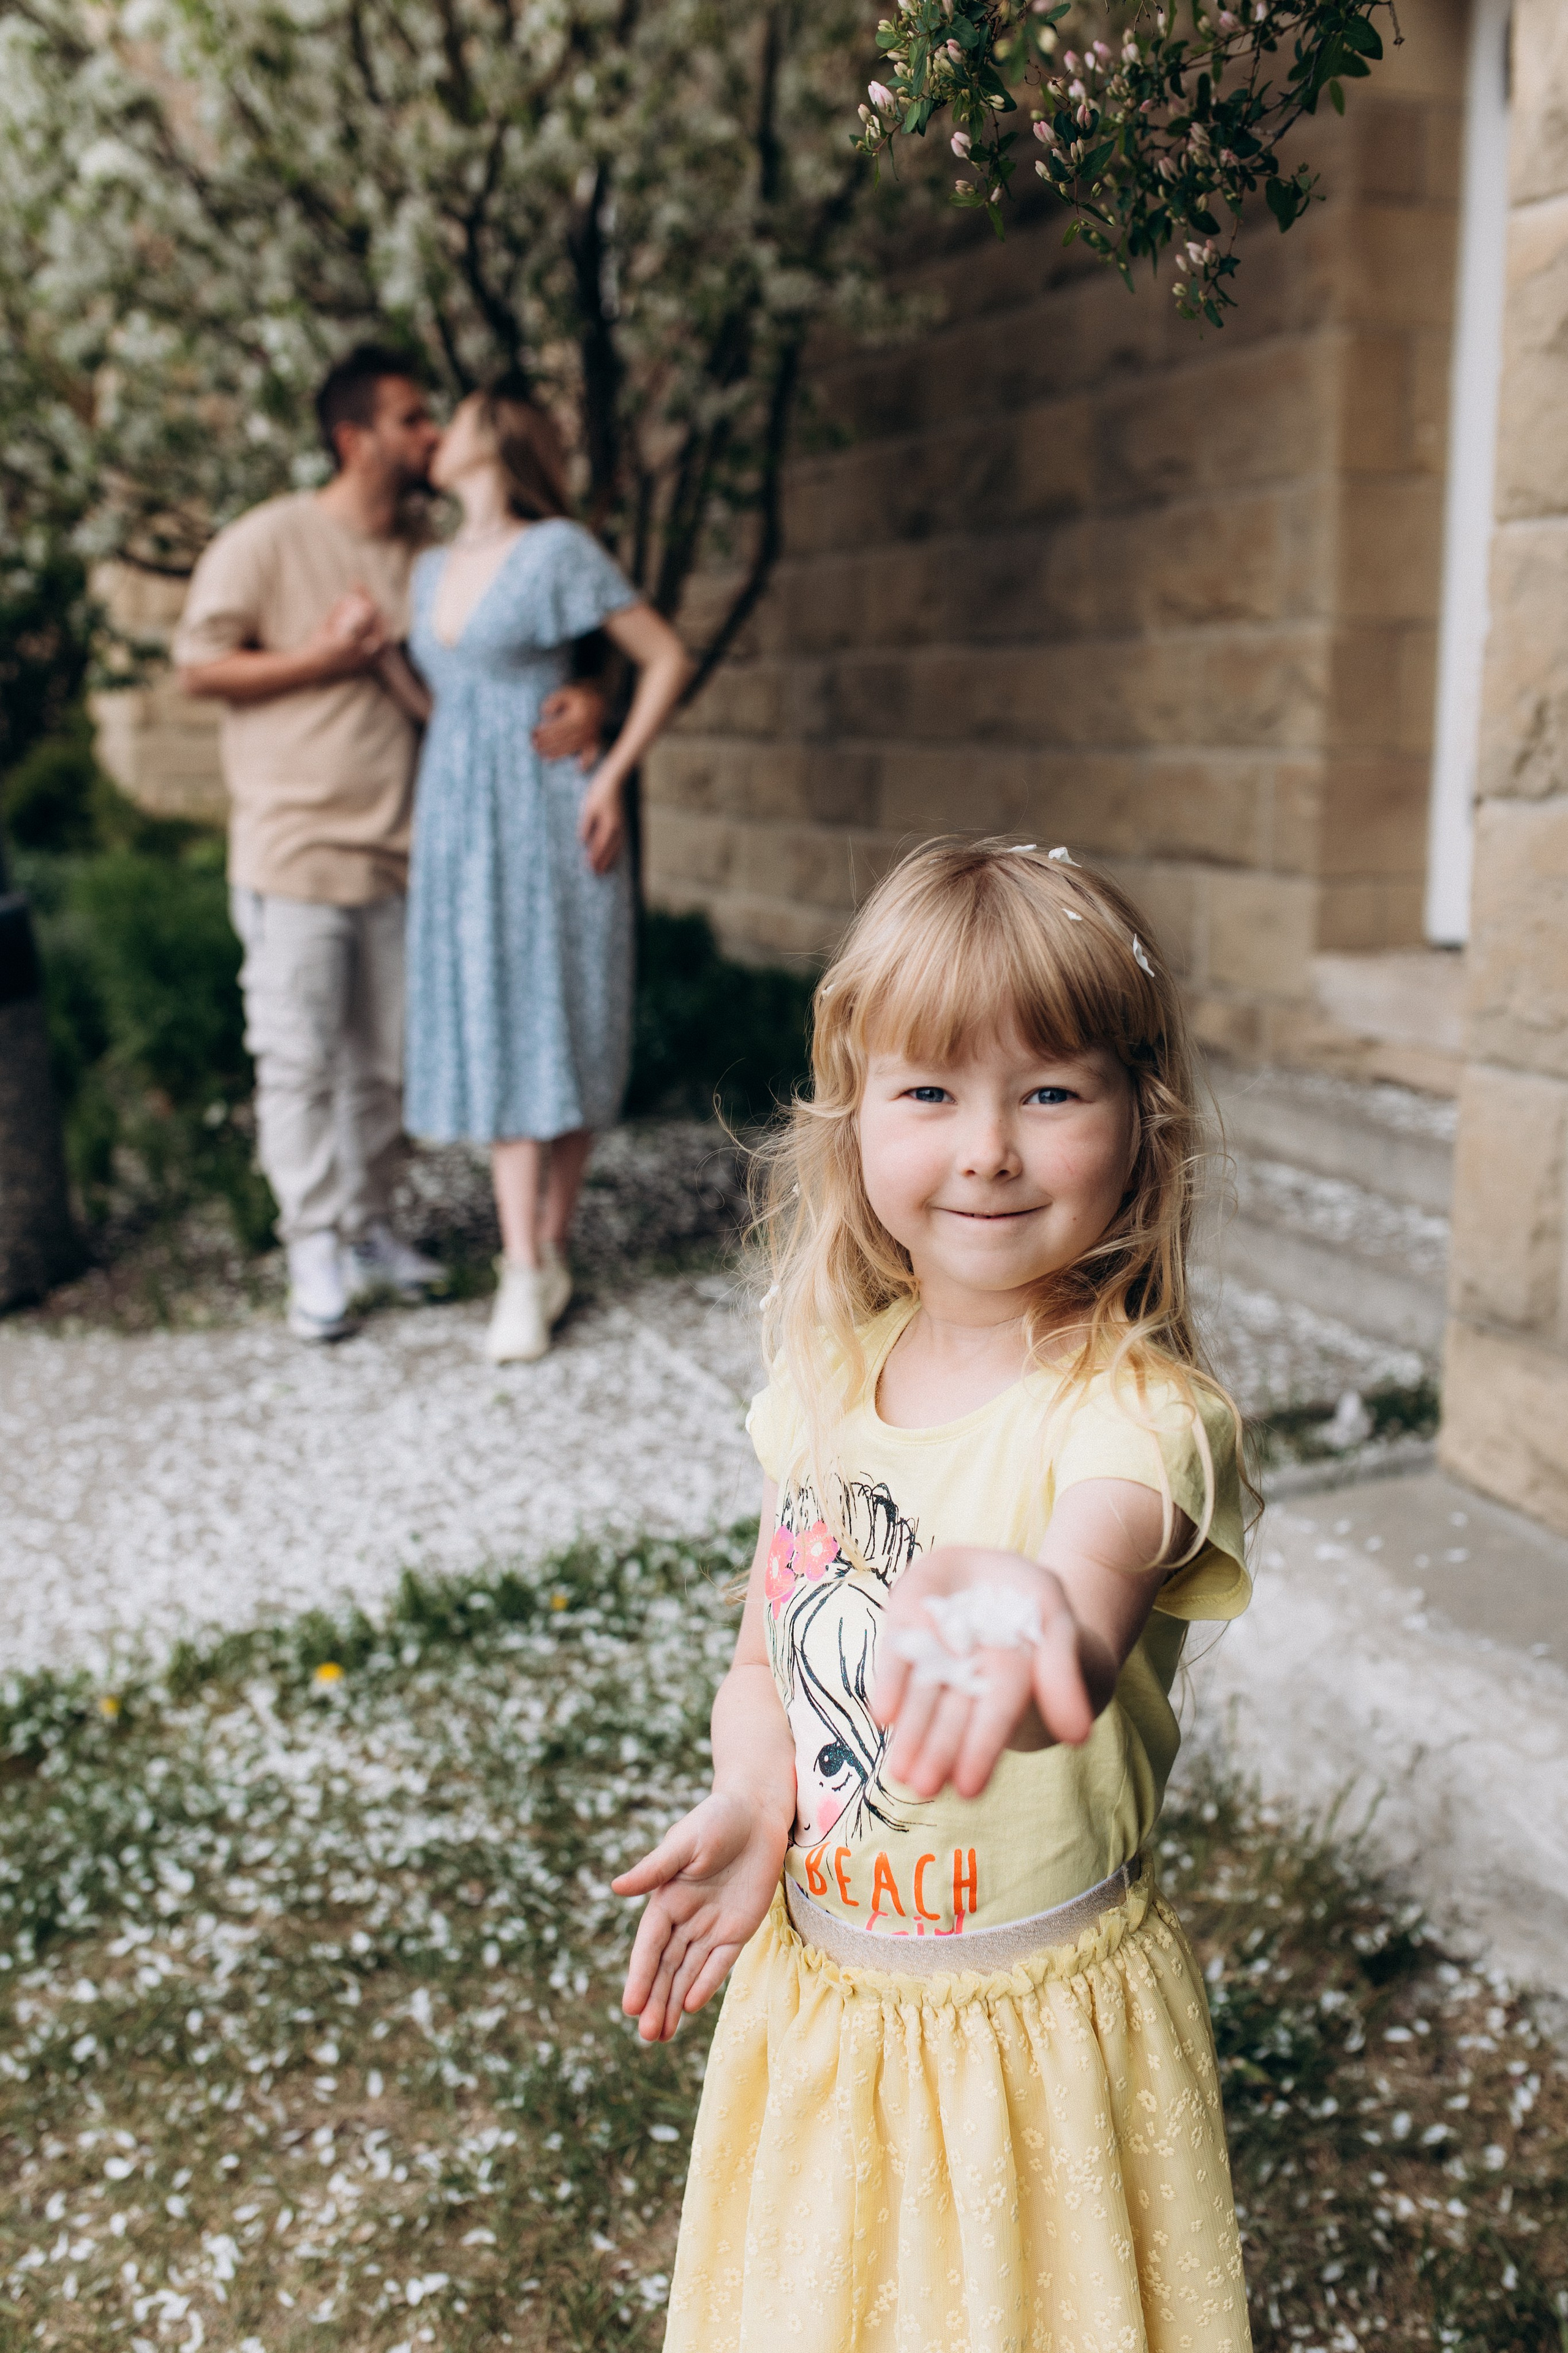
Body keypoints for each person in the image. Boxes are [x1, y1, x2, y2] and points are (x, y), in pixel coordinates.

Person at [614, 839, 1255, 2352]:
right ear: (850, 1120)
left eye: (1047, 1090)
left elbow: (1085, 1606)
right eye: (928, 1092)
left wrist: (1036, 1617)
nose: (984, 1148)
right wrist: (748, 1795)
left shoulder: (1136, 1416)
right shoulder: (827, 1384)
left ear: (1138, 1123)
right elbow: (767, 1655)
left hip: (1030, 2033)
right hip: (825, 1999)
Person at [175, 346, 605, 1341]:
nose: (428, 435)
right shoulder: (269, 540)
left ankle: (367, 1225)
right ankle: (313, 1242)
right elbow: (198, 667)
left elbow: (503, 664)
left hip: (415, 848)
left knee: (386, 1066)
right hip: (296, 849)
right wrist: (323, 657)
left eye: (432, 421)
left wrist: (591, 699)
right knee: (298, 1057)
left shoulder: (428, 552)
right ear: (353, 437)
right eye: (412, 420)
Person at [382, 381, 691, 1365]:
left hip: (555, 809)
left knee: (567, 1020)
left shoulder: (556, 551)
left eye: (456, 415)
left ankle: (542, 1253)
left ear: (496, 438)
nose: (438, 430)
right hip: (461, 821)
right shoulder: (428, 570)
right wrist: (373, 661)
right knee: (497, 1020)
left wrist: (614, 778)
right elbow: (450, 703)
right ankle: (526, 1262)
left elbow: (666, 657)